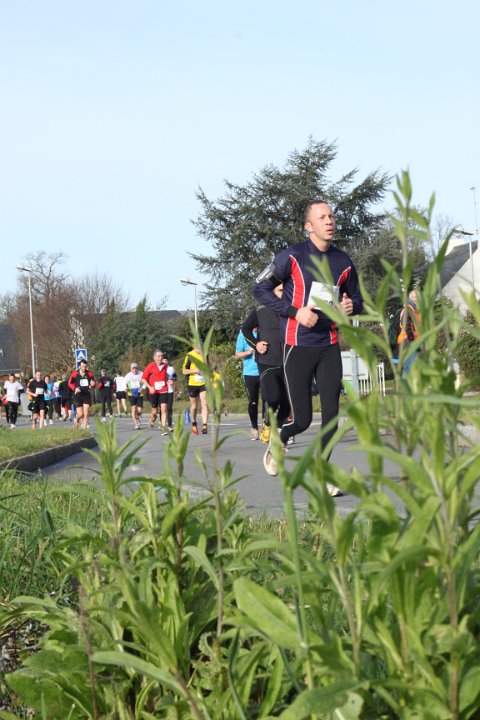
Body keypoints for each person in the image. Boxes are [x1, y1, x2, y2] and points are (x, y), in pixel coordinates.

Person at [254, 200, 362, 490]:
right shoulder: (292, 255)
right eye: (322, 217)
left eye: (331, 216)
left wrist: (351, 306)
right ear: (308, 226)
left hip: (328, 345)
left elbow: (357, 299)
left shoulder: (343, 261)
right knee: (301, 420)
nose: (329, 220)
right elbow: (259, 288)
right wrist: (295, 312)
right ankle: (280, 438)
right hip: (297, 344)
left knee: (332, 418)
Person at [242, 284, 290, 444]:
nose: (284, 293)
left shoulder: (292, 309)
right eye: (280, 290)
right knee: (273, 397)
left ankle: (277, 432)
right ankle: (267, 424)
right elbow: (245, 329)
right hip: (267, 362)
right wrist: (256, 344)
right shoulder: (260, 310)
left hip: (288, 362)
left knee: (288, 403)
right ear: (272, 292)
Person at [235, 328, 262, 440]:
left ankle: (267, 427)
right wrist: (248, 352)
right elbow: (237, 355)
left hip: (264, 371)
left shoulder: (264, 331)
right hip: (250, 373)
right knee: (253, 402)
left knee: (269, 399)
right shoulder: (243, 334)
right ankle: (255, 428)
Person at [182, 345, 208, 435]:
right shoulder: (189, 355)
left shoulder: (205, 354)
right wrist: (194, 371)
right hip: (192, 383)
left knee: (204, 403)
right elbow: (184, 371)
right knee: (194, 406)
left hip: (203, 383)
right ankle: (194, 424)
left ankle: (204, 425)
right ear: (193, 346)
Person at [142, 350, 169, 434]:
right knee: (154, 412)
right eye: (158, 356)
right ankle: (152, 419)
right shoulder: (150, 366)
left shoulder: (165, 365)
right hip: (153, 391)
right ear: (154, 357)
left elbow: (166, 377)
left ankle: (163, 428)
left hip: (163, 390)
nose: (160, 358)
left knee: (164, 409)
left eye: (161, 356)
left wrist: (169, 381)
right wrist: (150, 387)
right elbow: (143, 379)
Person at [395, 288, 420, 375]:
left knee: (410, 368)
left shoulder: (413, 309)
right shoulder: (409, 309)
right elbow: (405, 323)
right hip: (407, 342)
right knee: (409, 368)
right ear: (413, 298)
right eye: (416, 297)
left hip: (409, 342)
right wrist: (411, 337)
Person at [68, 359, 96, 429]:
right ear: (79, 366)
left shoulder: (89, 373)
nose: (84, 368)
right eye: (82, 366)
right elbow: (69, 383)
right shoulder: (75, 373)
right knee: (81, 414)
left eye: (85, 367)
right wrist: (75, 389)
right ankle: (76, 419)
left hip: (86, 394)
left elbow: (93, 383)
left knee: (86, 413)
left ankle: (83, 429)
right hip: (78, 395)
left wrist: (93, 385)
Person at [125, 362, 145, 430]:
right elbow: (125, 384)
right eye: (133, 369)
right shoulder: (128, 375)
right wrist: (125, 388)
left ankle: (137, 416)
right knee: (133, 408)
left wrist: (142, 388)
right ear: (131, 369)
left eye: (135, 369)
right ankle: (136, 424)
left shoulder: (141, 374)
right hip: (131, 393)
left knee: (139, 410)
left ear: (137, 369)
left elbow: (145, 383)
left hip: (139, 393)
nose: (134, 370)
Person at [163, 355, 177, 430]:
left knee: (169, 408)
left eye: (166, 360)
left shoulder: (171, 369)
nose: (165, 361)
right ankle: (162, 423)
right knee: (163, 408)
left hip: (170, 390)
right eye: (163, 360)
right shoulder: (159, 369)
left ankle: (170, 425)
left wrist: (173, 381)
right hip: (162, 391)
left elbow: (175, 377)